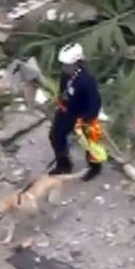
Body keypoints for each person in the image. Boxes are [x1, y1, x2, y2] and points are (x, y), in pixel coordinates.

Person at [49, 43, 104, 181]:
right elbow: (63, 90)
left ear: (77, 64)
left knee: (89, 143)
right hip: (67, 110)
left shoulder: (87, 82)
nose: (64, 68)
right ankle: (64, 164)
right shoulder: (66, 75)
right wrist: (61, 99)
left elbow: (95, 102)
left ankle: (94, 167)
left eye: (67, 65)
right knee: (56, 135)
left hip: (83, 115)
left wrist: (86, 119)